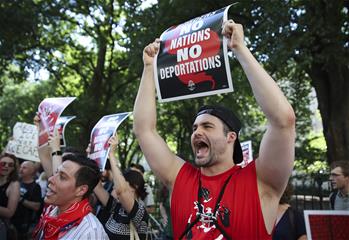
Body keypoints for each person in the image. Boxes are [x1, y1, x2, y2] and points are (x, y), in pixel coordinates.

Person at [133, 20, 296, 239]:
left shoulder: (260, 182)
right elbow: (144, 130)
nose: (196, 132)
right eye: (195, 127)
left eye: (207, 126)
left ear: (231, 137)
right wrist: (149, 68)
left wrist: (240, 49)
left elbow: (283, 121)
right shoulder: (180, 177)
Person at [33, 117, 109, 240]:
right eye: (56, 173)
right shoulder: (52, 211)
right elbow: (43, 154)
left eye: (62, 177)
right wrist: (43, 128)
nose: (51, 179)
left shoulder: (90, 233)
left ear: (81, 190)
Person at [94, 135, 150, 239]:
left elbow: (121, 191)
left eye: (122, 182)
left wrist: (111, 154)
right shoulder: (116, 206)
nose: (115, 187)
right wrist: (94, 154)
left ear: (134, 187)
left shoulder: (140, 212)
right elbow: (97, 188)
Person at [11, 160, 42, 240]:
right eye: (21, 167)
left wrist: (20, 200)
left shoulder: (36, 187)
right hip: (11, 221)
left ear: (32, 171)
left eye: (24, 168)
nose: (21, 169)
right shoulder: (15, 182)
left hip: (24, 224)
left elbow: (37, 207)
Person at [0, 153, 20, 239]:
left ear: (13, 169)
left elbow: (10, 212)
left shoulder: (14, 184)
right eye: (3, 163)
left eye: (10, 165)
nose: (6, 166)